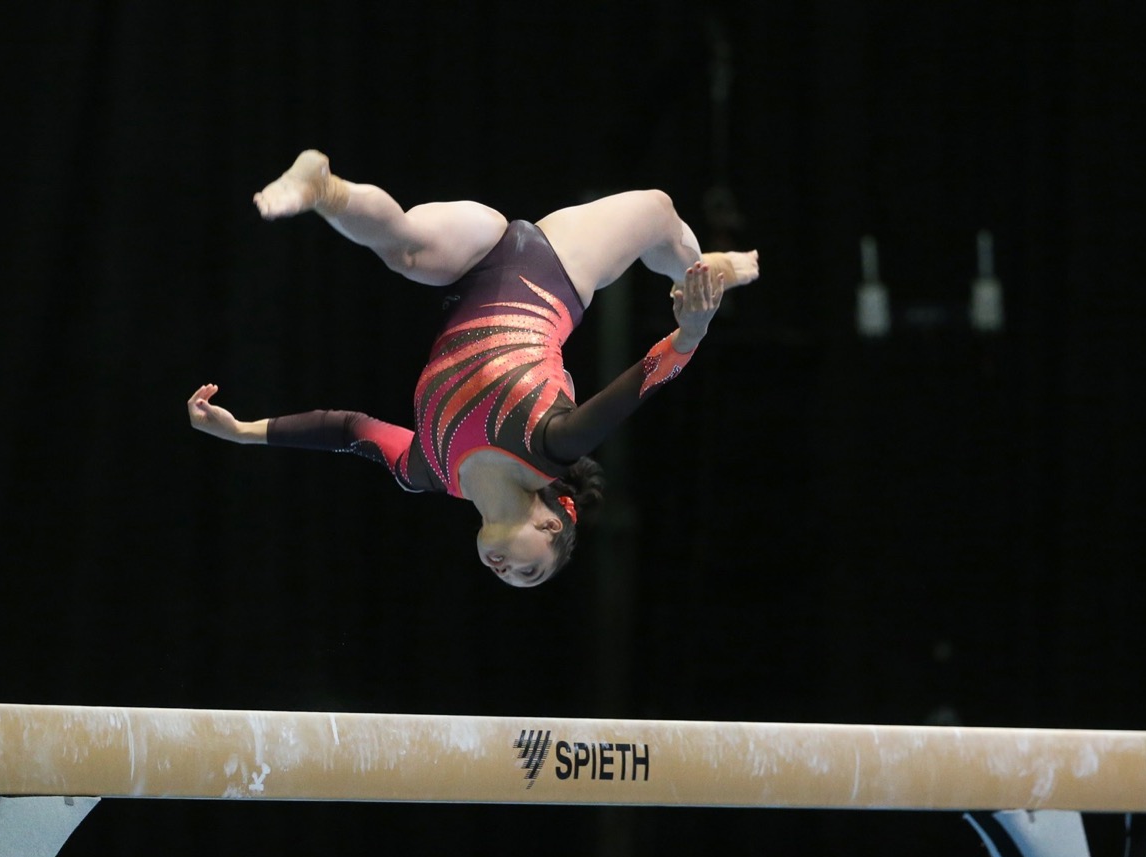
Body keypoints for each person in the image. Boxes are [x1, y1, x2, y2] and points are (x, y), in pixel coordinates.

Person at [188, 149, 759, 587]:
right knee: (658, 211)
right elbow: (637, 386)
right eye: (528, 572)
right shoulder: (549, 445)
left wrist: (243, 433)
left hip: (466, 268)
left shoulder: (428, 469)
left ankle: (324, 188)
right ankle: (705, 271)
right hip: (551, 269)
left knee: (404, 248)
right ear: (553, 525)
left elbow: (347, 429)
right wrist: (691, 331)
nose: (505, 573)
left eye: (508, 579)